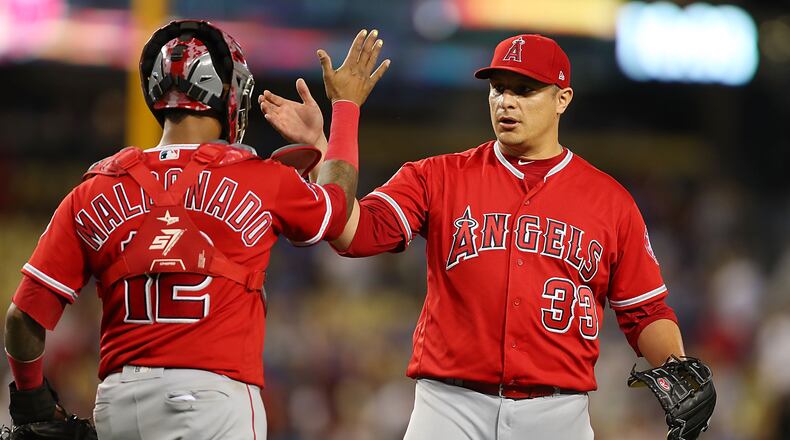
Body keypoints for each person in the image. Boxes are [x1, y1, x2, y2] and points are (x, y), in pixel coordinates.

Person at [261, 33, 715, 439]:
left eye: (525, 90)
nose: (506, 102)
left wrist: (675, 366)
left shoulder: (610, 201)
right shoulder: (437, 176)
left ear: (563, 99)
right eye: (498, 89)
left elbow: (644, 310)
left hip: (557, 413)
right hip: (449, 408)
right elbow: (348, 232)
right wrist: (336, 129)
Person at [3, 21, 388, 439]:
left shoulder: (93, 190)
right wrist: (345, 108)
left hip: (119, 402)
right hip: (212, 397)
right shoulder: (260, 178)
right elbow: (337, 210)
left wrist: (31, 398)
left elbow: (22, 320)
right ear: (228, 94)